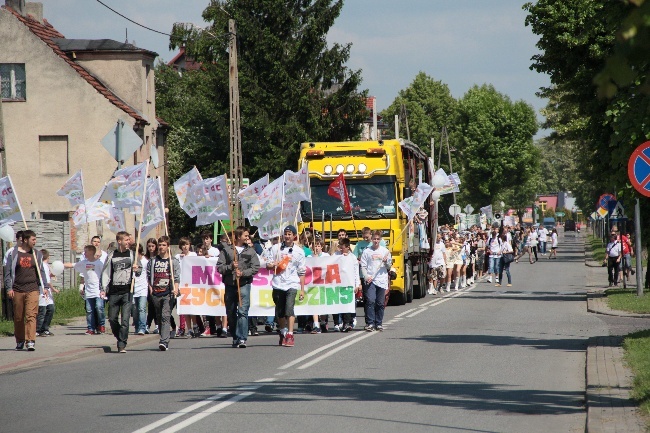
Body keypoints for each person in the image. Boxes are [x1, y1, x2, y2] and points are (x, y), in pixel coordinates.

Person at [4, 230, 48, 351]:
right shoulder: (13, 254)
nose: (35, 241)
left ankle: (30, 341)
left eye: (35, 239)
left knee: (31, 315)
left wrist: (45, 287)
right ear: (25, 240)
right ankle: (20, 340)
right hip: (17, 289)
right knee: (18, 317)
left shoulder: (37, 254)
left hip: (33, 289)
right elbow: (7, 273)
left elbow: (41, 272)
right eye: (33, 239)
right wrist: (9, 288)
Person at [263, 225, 306, 347]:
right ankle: (282, 331)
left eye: (289, 234)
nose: (287, 236)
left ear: (294, 236)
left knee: (289, 309)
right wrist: (273, 264)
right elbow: (268, 265)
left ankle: (290, 334)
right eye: (285, 234)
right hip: (278, 284)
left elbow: (302, 272)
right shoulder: (275, 248)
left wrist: (302, 290)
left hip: (292, 283)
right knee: (280, 312)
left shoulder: (299, 252)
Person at [217, 226, 260, 348]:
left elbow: (255, 267)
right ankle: (235, 337)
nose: (248, 237)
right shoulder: (226, 251)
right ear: (238, 236)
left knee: (243, 311)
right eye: (245, 235)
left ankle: (242, 338)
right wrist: (230, 266)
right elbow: (219, 267)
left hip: (244, 285)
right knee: (230, 312)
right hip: (230, 285)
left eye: (248, 235)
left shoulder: (250, 251)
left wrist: (243, 273)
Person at [102, 231, 140, 353]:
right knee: (112, 318)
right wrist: (103, 288)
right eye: (126, 240)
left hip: (127, 291)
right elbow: (105, 272)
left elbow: (139, 270)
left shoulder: (132, 254)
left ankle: (121, 343)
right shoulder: (112, 255)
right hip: (113, 291)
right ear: (119, 241)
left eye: (129, 240)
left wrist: (137, 269)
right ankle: (120, 336)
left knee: (125, 320)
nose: (129, 242)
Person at [147, 236, 180, 351]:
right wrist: (150, 288)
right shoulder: (152, 261)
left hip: (168, 293)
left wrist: (175, 288)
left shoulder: (173, 261)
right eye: (160, 244)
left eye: (164, 245)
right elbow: (148, 276)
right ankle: (163, 335)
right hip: (156, 293)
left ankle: (164, 341)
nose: (161, 247)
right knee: (159, 316)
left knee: (166, 316)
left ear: (168, 246)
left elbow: (176, 277)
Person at [65, 245, 105, 335]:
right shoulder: (84, 263)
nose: (84, 253)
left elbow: (105, 276)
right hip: (89, 291)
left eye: (86, 251)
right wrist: (61, 265)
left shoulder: (99, 263)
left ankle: (101, 325)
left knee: (99, 308)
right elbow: (72, 265)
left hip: (98, 291)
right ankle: (91, 328)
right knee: (89, 310)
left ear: (91, 252)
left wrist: (105, 288)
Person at [360, 230, 392, 331]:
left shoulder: (385, 251)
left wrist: (387, 262)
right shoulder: (367, 251)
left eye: (378, 239)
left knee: (380, 302)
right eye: (374, 239)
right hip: (371, 280)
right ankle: (370, 323)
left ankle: (378, 323)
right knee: (370, 300)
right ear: (371, 239)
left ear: (380, 239)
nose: (376, 241)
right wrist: (366, 276)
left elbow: (389, 266)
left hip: (381, 280)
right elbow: (363, 266)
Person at [334, 238, 361, 332]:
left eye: (342, 248)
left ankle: (347, 323)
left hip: (349, 284)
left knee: (348, 304)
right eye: (340, 247)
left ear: (348, 247)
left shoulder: (353, 257)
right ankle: (338, 322)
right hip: (338, 283)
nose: (341, 250)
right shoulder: (336, 255)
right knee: (338, 304)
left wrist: (357, 284)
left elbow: (356, 272)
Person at [175, 237, 198, 337]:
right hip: (182, 285)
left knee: (192, 307)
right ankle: (189, 329)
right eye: (183, 245)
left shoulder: (193, 255)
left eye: (187, 244)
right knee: (185, 308)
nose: (185, 247)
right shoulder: (177, 257)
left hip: (191, 284)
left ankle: (195, 326)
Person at [36, 249, 58, 337]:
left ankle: (45, 328)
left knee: (51, 309)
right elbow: (47, 282)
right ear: (48, 257)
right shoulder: (42, 265)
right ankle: (38, 330)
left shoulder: (46, 266)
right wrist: (54, 289)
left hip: (46, 291)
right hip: (42, 290)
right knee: (42, 310)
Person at [132, 244, 149, 335]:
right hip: (133, 289)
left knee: (142, 308)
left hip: (143, 288)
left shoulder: (145, 261)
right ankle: (137, 326)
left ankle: (142, 327)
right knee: (134, 310)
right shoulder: (132, 261)